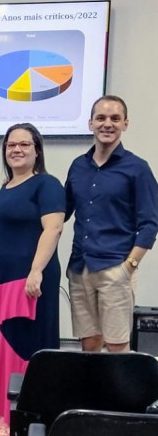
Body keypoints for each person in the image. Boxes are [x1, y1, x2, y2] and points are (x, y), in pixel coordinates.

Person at [0, 123, 65, 436]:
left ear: (37, 150)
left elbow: (53, 229)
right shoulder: (5, 186)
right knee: (2, 348)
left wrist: (36, 270)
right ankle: (4, 410)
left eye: (24, 145)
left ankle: (22, 415)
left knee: (24, 347)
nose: (16, 149)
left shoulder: (47, 184)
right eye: (11, 145)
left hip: (28, 282)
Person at [65, 95, 158, 353]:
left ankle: (117, 396)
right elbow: (61, 211)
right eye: (101, 118)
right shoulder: (78, 166)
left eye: (115, 118)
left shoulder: (137, 168)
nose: (108, 124)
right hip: (80, 268)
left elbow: (150, 224)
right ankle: (92, 395)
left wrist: (130, 266)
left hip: (116, 269)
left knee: (118, 348)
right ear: (90, 123)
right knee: (89, 346)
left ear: (125, 124)